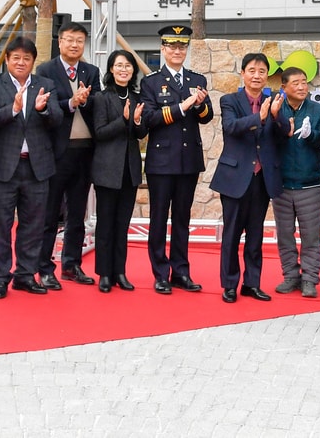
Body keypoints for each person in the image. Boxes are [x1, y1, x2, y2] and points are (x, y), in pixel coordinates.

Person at [0, 36, 64, 299]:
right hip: (2, 167)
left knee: (34, 224)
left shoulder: (46, 85)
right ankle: (0, 278)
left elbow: (58, 118)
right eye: (16, 57)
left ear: (33, 61)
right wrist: (13, 109)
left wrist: (44, 109)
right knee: (0, 226)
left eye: (27, 58)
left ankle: (25, 275)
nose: (21, 62)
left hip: (37, 166)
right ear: (7, 59)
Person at [139, 23, 214, 294]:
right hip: (161, 160)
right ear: (163, 48)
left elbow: (207, 117)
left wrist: (202, 104)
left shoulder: (197, 80)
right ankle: (160, 272)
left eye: (182, 46)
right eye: (172, 45)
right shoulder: (151, 82)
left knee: (182, 218)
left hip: (188, 159)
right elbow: (150, 119)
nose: (177, 50)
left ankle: (181, 271)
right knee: (159, 218)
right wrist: (183, 106)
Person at [212, 53, 284, 303]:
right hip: (235, 176)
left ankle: (252, 283)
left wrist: (275, 115)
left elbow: (285, 133)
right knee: (232, 234)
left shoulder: (273, 100)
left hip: (262, 178)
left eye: (262, 71)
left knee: (256, 235)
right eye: (252, 70)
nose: (257, 75)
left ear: (267, 76)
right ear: (242, 73)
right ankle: (230, 284)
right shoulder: (229, 100)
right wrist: (260, 117)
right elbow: (231, 127)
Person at [34, 22, 101, 290]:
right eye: (69, 40)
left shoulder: (91, 71)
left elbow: (97, 106)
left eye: (79, 40)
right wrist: (71, 103)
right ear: (59, 42)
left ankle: (72, 264)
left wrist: (86, 100)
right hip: (57, 152)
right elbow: (48, 107)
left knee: (78, 213)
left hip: (84, 151)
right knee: (50, 214)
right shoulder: (46, 71)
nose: (74, 45)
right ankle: (44, 267)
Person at [88, 49, 146, 293]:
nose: (124, 69)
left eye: (128, 66)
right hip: (107, 169)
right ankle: (104, 273)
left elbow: (141, 134)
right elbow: (99, 132)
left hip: (129, 170)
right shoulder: (102, 98)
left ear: (133, 70)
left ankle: (120, 271)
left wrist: (136, 122)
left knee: (123, 225)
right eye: (119, 65)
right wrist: (123, 121)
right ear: (111, 69)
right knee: (106, 224)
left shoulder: (137, 97)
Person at [271, 66, 320, 299]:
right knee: (285, 233)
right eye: (296, 83)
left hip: (309, 183)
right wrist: (276, 122)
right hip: (282, 184)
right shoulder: (276, 109)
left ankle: (310, 279)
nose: (302, 86)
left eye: (305, 82)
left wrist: (311, 135)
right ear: (284, 88)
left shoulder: (317, 110)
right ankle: (290, 276)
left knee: (311, 235)